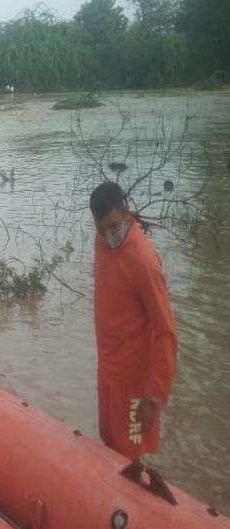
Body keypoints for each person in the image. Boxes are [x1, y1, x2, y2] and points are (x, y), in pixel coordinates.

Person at [91, 182, 177, 460]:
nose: (108, 235)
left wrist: (154, 395)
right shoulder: (102, 242)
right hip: (108, 368)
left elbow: (166, 330)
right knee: (109, 440)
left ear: (126, 212)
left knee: (131, 451)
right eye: (102, 228)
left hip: (134, 380)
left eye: (113, 227)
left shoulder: (144, 260)